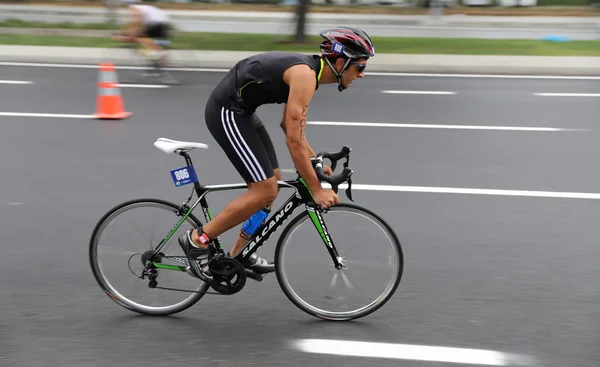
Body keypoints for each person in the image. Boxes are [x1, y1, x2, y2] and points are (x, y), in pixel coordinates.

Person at [178, 27, 375, 282]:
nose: (362, 75)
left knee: (273, 182)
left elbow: (289, 126)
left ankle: (239, 254)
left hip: (244, 112)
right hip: (226, 111)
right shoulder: (305, 76)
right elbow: (293, 140)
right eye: (360, 67)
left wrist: (314, 159)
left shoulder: (310, 74)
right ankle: (198, 240)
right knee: (264, 190)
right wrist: (316, 189)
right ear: (340, 62)